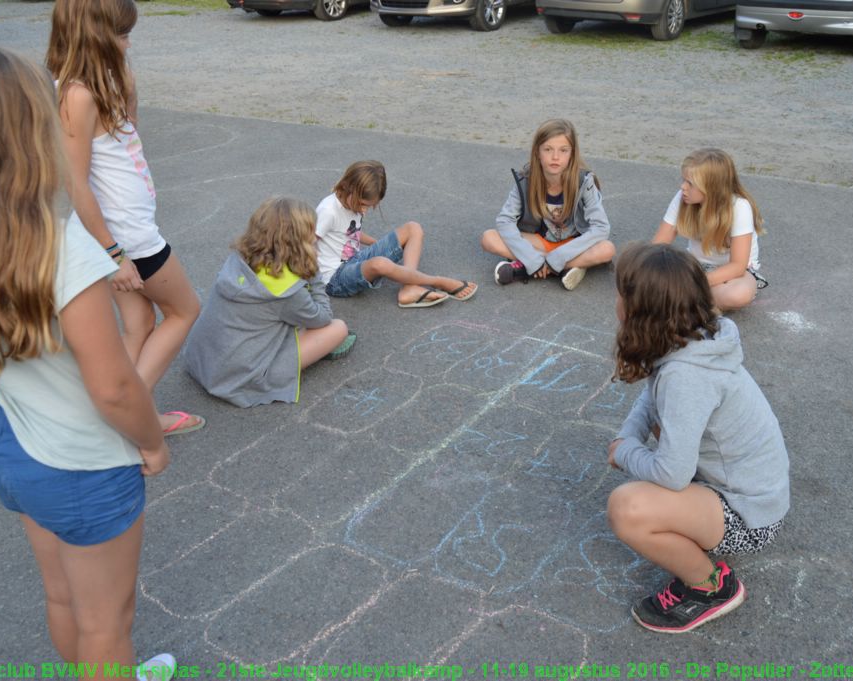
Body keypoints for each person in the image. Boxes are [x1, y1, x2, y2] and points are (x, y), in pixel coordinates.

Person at [0, 44, 175, 681]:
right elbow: (113, 387)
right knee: (109, 618)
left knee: (61, 595)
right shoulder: (59, 243)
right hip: (81, 463)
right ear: (29, 130)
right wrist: (153, 445)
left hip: (7, 444)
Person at [606, 242, 789, 634]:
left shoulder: (687, 377)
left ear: (642, 312)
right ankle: (700, 537)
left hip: (749, 513)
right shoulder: (691, 337)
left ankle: (711, 587)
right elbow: (652, 396)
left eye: (621, 294)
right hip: (745, 488)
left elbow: (671, 474)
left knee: (627, 508)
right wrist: (628, 436)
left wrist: (626, 454)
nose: (616, 301)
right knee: (652, 458)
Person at [48, 0, 203, 435]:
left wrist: (126, 84)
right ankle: (133, 420)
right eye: (120, 33)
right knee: (184, 311)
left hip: (125, 232)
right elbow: (76, 184)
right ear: (93, 35)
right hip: (125, 238)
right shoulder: (76, 95)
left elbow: (128, 136)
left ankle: (114, 416)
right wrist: (113, 254)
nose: (127, 41)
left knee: (140, 323)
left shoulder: (107, 82)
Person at [184, 197, 353, 407]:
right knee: (338, 328)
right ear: (299, 241)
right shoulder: (286, 290)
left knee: (287, 317)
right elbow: (322, 317)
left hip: (202, 359)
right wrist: (313, 273)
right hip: (237, 377)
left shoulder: (241, 256)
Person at [316, 160, 478, 308]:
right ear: (348, 187)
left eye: (369, 206)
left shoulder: (351, 201)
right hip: (334, 279)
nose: (364, 210)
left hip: (354, 260)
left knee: (413, 228)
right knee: (379, 263)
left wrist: (377, 245)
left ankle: (409, 288)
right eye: (362, 204)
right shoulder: (328, 211)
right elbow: (304, 244)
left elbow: (347, 233)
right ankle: (438, 281)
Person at [481, 119, 615, 290]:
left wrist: (558, 256)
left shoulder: (584, 181)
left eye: (563, 150)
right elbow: (504, 221)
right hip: (539, 241)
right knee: (489, 238)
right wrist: (532, 258)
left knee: (607, 249)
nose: (555, 157)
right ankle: (566, 268)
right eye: (548, 149)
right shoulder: (525, 181)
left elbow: (601, 227)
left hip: (573, 243)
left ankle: (524, 269)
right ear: (537, 152)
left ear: (572, 154)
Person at [652, 148, 768, 311]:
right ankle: (696, 302)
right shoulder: (683, 197)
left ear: (711, 188)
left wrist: (694, 283)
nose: (683, 187)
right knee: (647, 274)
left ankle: (681, 299)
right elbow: (657, 246)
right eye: (683, 180)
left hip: (733, 275)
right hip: (696, 267)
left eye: (690, 183)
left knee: (738, 294)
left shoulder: (739, 207)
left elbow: (737, 266)